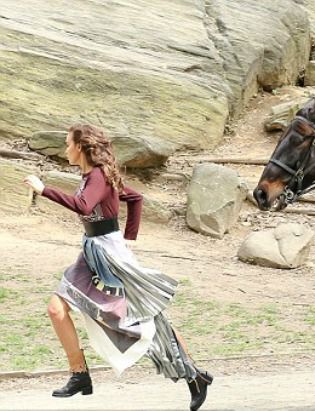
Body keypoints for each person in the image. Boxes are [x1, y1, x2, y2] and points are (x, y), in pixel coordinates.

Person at [23, 124, 212, 411]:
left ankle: (194, 376)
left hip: (108, 254)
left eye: (67, 144)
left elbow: (85, 206)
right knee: (56, 308)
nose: (65, 149)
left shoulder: (97, 175)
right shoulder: (94, 175)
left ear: (81, 147)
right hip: (93, 252)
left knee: (147, 319)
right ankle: (79, 375)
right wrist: (127, 237)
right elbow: (134, 199)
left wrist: (44, 189)